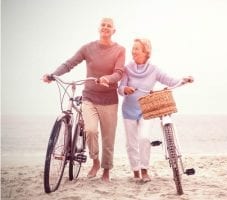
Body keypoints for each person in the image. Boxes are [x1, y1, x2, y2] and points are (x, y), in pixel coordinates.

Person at [42, 17, 125, 182]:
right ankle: (95, 161)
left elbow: (119, 73)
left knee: (108, 138)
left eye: (109, 26)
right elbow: (69, 63)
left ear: (113, 30)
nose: (105, 27)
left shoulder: (119, 50)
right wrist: (53, 75)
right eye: (103, 25)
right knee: (91, 130)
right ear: (98, 28)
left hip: (109, 100)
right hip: (90, 97)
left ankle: (106, 171)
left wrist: (108, 78)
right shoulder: (88, 48)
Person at [118, 38, 193, 182]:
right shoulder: (127, 69)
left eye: (137, 49)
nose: (133, 51)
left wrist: (183, 80)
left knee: (144, 138)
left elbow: (170, 81)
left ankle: (144, 170)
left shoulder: (154, 69)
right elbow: (120, 88)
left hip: (147, 110)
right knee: (131, 143)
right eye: (132, 48)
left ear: (146, 52)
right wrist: (125, 89)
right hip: (128, 110)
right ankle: (135, 171)